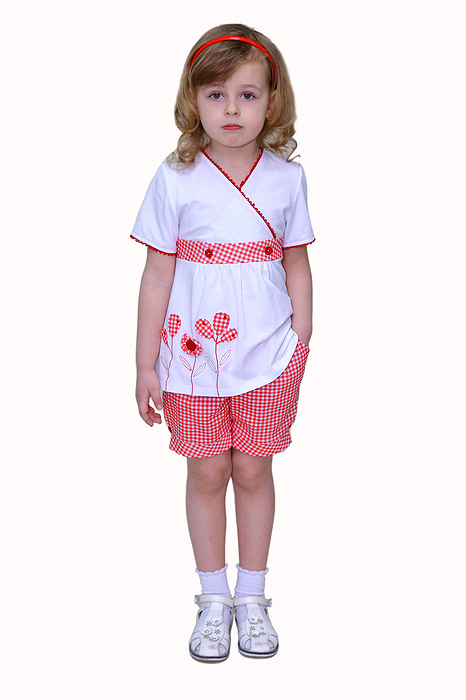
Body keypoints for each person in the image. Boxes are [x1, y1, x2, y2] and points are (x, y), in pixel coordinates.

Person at [132, 23, 315, 662]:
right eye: (216, 95)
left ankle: (253, 595)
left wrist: (301, 337)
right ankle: (213, 597)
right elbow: (157, 274)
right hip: (191, 359)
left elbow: (296, 262)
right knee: (208, 469)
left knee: (254, 467)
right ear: (194, 100)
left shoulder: (286, 179)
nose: (231, 109)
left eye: (247, 94)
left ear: (272, 100)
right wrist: (145, 364)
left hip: (267, 352)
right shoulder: (175, 177)